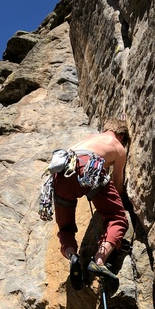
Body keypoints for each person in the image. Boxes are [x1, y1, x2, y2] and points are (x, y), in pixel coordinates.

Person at [53, 119, 129, 291]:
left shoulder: (90, 137)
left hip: (62, 169)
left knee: (65, 228)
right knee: (118, 219)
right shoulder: (118, 146)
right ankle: (99, 262)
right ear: (121, 136)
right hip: (88, 165)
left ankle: (72, 256)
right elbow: (118, 186)